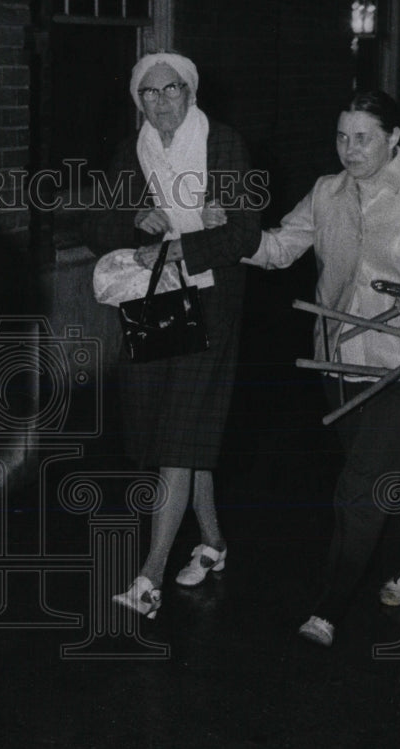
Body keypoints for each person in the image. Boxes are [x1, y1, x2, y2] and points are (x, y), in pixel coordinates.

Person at [239, 90, 400, 647]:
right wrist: (220, 237)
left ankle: (327, 609)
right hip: (338, 358)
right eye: (342, 136)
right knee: (372, 478)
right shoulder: (327, 193)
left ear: (393, 137)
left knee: (358, 484)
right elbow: (279, 249)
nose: (350, 149)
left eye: (363, 137)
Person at [86, 52, 261, 618]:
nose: (160, 103)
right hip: (157, 293)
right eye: (149, 94)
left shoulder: (224, 143)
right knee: (178, 426)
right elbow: (98, 227)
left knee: (179, 435)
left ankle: (148, 576)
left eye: (171, 91)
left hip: (211, 297)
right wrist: (137, 216)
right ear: (138, 100)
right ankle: (213, 543)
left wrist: (185, 242)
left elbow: (246, 230)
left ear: (190, 93)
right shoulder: (134, 150)